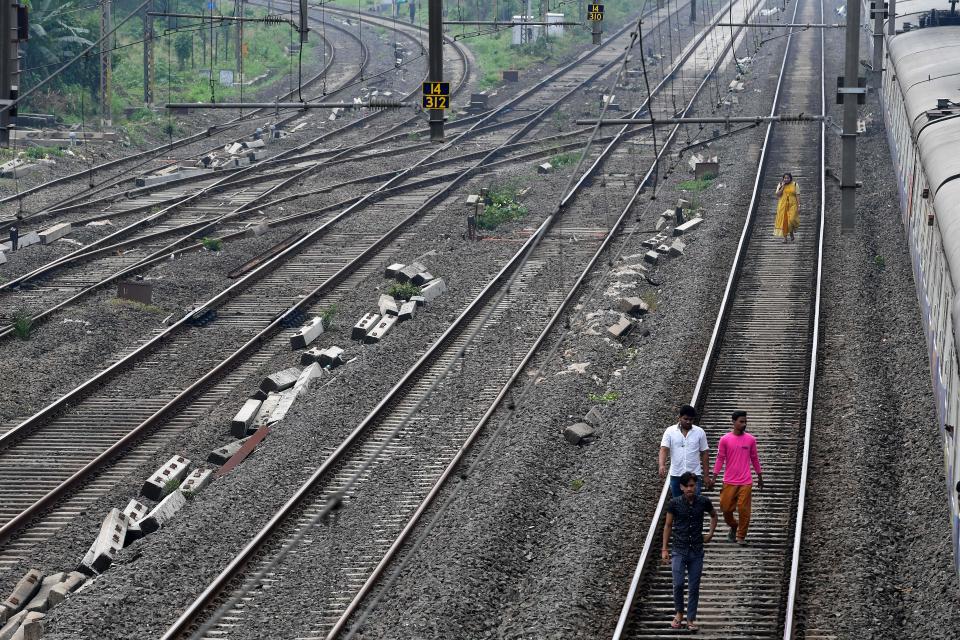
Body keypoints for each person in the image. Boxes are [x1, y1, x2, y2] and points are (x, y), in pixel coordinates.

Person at [661, 471, 718, 632]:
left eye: (692, 485)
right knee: (678, 584)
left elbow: (714, 516)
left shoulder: (703, 501)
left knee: (694, 586)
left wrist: (710, 534)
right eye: (686, 486)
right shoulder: (674, 503)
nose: (689, 489)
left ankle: (691, 618)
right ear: (681, 487)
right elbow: (668, 525)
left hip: (696, 551)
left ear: (696, 486)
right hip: (679, 549)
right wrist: (665, 548)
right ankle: (679, 613)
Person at [710, 410, 763, 545]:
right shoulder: (725, 439)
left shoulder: (750, 440)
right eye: (741, 421)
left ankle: (741, 536)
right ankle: (734, 526)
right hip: (729, 481)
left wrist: (759, 476)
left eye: (745, 421)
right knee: (726, 508)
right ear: (733, 422)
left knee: (744, 509)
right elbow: (720, 458)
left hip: (746, 481)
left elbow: (754, 458)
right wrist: (714, 477)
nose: (744, 424)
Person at [659, 404, 712, 496]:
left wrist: (706, 475)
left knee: (695, 504)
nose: (688, 422)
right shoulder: (670, 431)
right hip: (676, 474)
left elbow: (704, 453)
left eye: (691, 419)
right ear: (679, 417)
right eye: (685, 419)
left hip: (694, 474)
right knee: (678, 503)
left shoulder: (699, 432)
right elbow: (664, 449)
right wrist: (662, 465)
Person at [774, 172, 800, 243]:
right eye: (785, 178)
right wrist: (782, 186)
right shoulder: (780, 184)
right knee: (784, 222)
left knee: (791, 220)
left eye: (788, 178)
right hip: (783, 205)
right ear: (783, 179)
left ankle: (791, 232)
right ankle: (785, 238)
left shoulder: (795, 184)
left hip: (793, 205)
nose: (786, 179)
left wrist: (799, 205)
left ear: (790, 178)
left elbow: (797, 195)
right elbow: (778, 195)